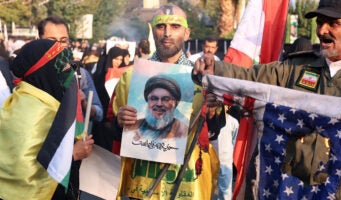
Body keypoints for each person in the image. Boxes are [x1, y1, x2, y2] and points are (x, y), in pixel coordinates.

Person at [193, 0, 341, 199]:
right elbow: (251, 77)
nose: (322, 31)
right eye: (320, 23)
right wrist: (216, 70)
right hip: (298, 191)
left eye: (332, 24)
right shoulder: (297, 68)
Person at [112, 3, 219, 199]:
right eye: (161, 26)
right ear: (153, 32)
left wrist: (213, 111)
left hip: (186, 184)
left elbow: (214, 131)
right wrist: (119, 121)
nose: (167, 33)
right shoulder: (130, 77)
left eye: (175, 27)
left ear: (187, 33)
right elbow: (115, 131)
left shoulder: (203, 80)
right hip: (142, 185)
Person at [0, 39, 76, 199]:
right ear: (46, 69)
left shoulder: (18, 99)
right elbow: (24, 173)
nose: (69, 72)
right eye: (62, 66)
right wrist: (73, 154)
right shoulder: (42, 112)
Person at [37, 16, 97, 199]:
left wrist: (84, 104)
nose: (58, 47)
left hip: (72, 171)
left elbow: (98, 112)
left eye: (63, 41)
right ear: (39, 41)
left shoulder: (80, 75)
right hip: (39, 178)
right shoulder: (29, 79)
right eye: (51, 41)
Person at [130, 75, 188, 141]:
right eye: (154, 98)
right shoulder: (133, 127)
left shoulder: (183, 132)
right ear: (147, 101)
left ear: (174, 103)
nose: (159, 104)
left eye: (165, 99)